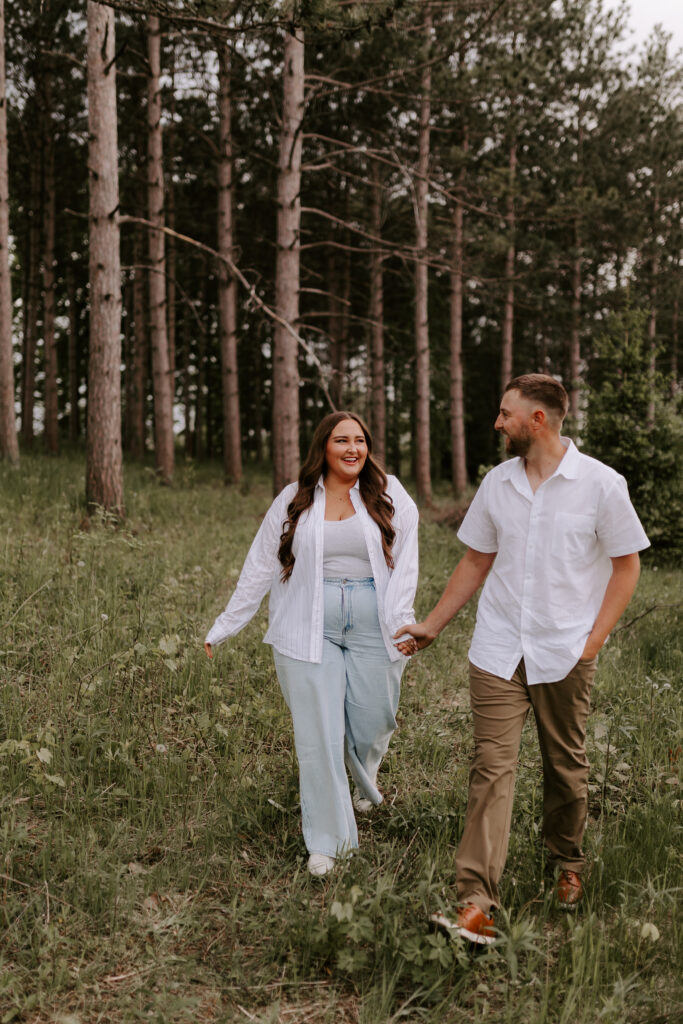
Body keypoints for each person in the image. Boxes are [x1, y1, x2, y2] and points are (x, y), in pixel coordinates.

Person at [395, 374, 649, 944]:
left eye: (506, 413)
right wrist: (433, 625)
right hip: (498, 649)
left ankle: (568, 863)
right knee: (491, 770)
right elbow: (475, 561)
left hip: (565, 651)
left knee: (565, 766)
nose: (497, 422)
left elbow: (628, 566)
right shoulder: (498, 484)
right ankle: (476, 902)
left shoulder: (602, 486)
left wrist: (593, 641)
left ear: (537, 419)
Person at [205, 412, 419, 876]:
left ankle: (364, 775)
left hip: (372, 621)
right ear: (323, 446)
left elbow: (406, 563)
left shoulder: (389, 494)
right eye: (341, 440)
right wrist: (224, 626)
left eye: (360, 440)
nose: (352, 448)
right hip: (307, 624)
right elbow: (261, 564)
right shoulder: (294, 499)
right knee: (319, 735)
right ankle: (327, 840)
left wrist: (403, 622)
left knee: (373, 718)